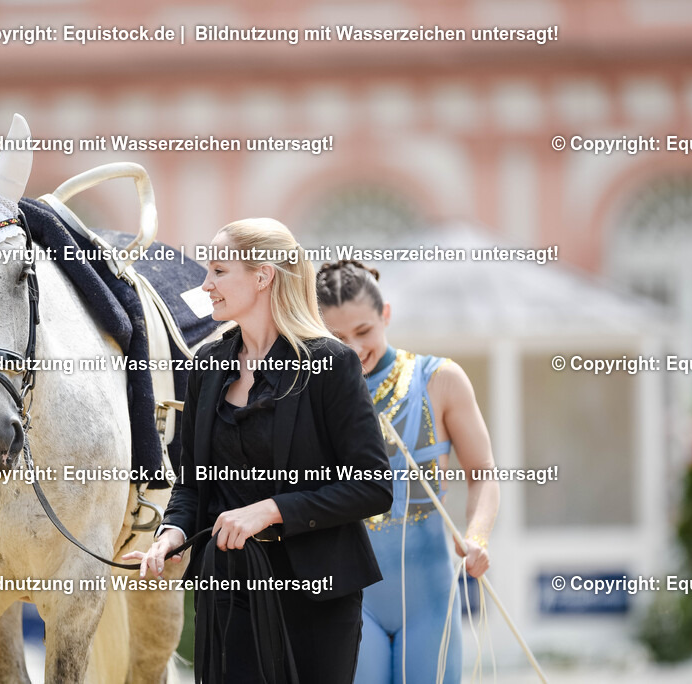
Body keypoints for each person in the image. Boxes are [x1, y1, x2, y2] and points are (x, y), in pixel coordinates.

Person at [124, 219, 393, 683]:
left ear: (263, 275)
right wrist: (169, 535)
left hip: (317, 592)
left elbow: (372, 487)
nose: (205, 284)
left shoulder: (331, 363)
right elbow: (191, 485)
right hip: (228, 587)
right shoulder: (206, 368)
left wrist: (269, 511)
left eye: (219, 271)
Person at [315, 259, 500, 684]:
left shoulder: (441, 380)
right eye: (338, 338)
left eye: (364, 332)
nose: (355, 349)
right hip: (351, 592)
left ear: (386, 315)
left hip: (430, 594)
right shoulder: (313, 394)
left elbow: (484, 473)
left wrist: (477, 536)